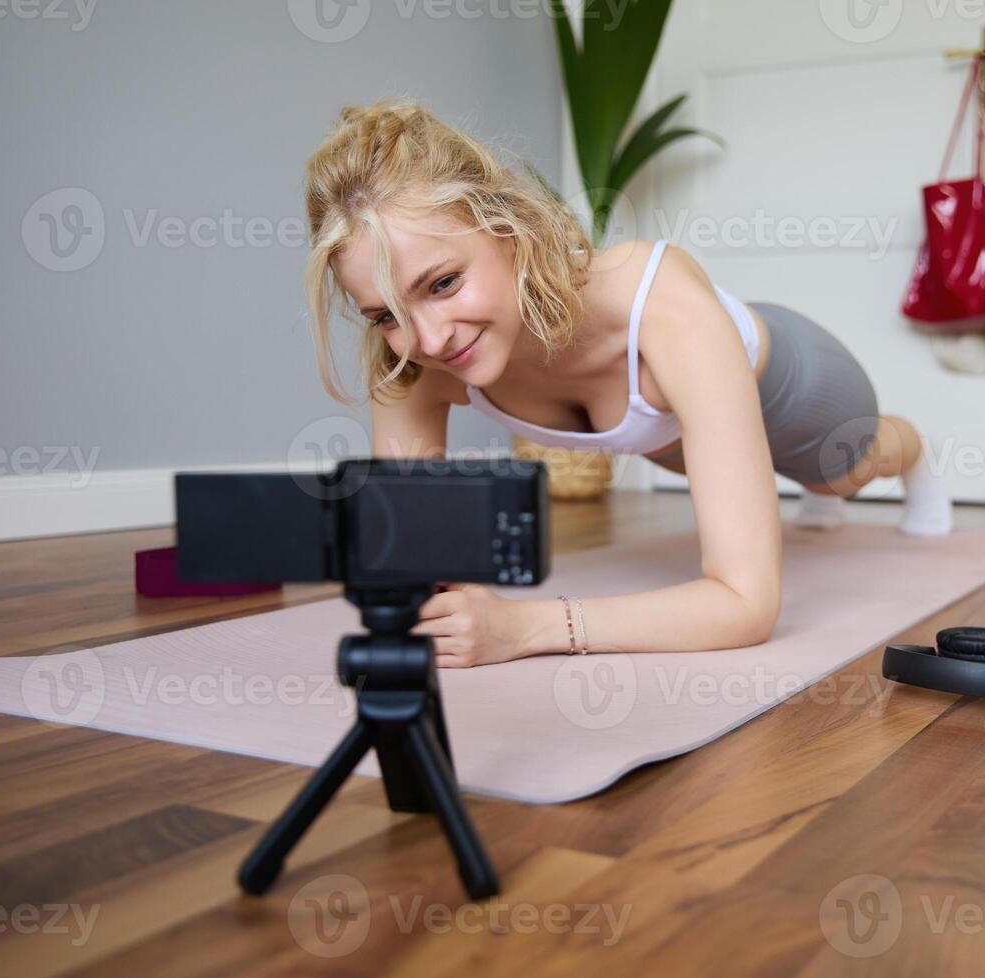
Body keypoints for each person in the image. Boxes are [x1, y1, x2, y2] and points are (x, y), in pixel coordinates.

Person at [302, 98, 952, 668]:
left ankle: (913, 450)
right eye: (386, 314)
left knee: (838, 474)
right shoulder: (411, 365)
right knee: (710, 473)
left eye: (443, 284)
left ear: (509, 231)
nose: (430, 339)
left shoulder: (655, 300)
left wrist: (527, 628)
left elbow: (746, 606)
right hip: (667, 439)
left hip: (798, 389)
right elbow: (413, 557)